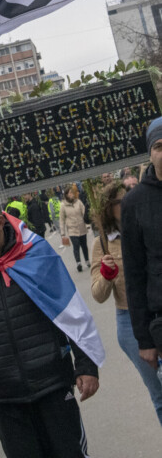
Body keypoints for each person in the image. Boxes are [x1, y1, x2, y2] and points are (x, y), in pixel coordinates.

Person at [0, 192, 103, 458]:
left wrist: (86, 365)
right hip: (4, 399)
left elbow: (70, 311)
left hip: (53, 386)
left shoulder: (36, 253)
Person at [90, 179, 162, 425]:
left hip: (157, 312)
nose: (126, 203)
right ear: (108, 208)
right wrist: (106, 275)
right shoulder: (102, 243)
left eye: (127, 196)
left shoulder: (150, 223)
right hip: (130, 322)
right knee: (160, 393)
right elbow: (98, 295)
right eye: (119, 202)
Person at [121, 115, 162, 375]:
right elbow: (134, 274)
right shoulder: (134, 203)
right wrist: (144, 340)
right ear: (150, 153)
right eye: (159, 146)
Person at [59, 185, 89, 272]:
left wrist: (87, 224)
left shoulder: (78, 202)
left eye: (72, 192)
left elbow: (84, 213)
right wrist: (63, 233)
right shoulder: (63, 205)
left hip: (82, 227)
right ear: (66, 195)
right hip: (72, 229)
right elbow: (62, 219)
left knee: (84, 246)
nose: (72, 194)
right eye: (70, 193)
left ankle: (87, 260)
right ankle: (78, 263)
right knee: (76, 246)